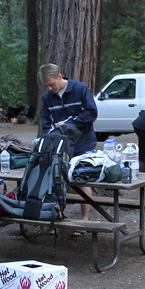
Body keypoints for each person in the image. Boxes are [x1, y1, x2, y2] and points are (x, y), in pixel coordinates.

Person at [39, 63, 98, 219]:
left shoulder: (80, 89)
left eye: (52, 84)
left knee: (83, 180)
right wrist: (50, 134)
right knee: (55, 179)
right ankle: (55, 217)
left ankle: (84, 219)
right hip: (60, 145)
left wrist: (68, 124)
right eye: (47, 86)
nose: (50, 88)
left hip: (83, 143)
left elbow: (91, 113)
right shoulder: (47, 97)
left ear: (60, 76)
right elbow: (45, 121)